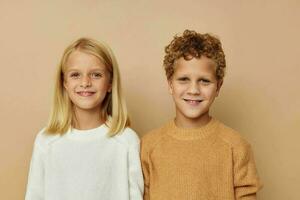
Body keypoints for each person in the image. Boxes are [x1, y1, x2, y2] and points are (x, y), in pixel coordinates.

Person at [141, 30, 262, 200]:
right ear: (170, 84)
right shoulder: (149, 146)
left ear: (218, 87)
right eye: (183, 79)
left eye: (204, 81)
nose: (193, 90)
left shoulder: (236, 146)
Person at [25, 38, 143, 200]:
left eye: (96, 75)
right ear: (64, 83)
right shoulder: (46, 141)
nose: (85, 82)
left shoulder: (127, 141)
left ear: (110, 83)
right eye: (75, 75)